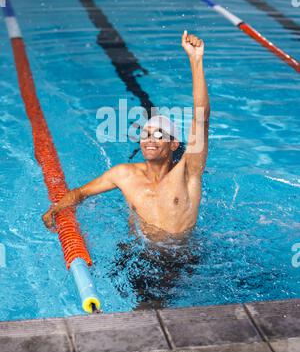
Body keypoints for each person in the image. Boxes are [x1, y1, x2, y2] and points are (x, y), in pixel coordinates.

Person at [42, 31, 210, 239]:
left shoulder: (187, 174)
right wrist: (56, 209)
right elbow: (80, 193)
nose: (149, 139)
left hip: (180, 262)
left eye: (158, 134)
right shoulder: (124, 175)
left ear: (173, 145)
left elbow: (201, 118)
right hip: (138, 257)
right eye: (146, 134)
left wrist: (196, 60)